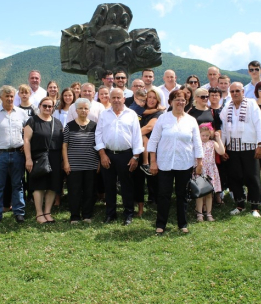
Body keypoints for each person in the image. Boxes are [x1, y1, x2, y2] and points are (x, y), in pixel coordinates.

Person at [148, 90, 203, 235]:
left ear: (186, 102)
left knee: (182, 194)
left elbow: (197, 143)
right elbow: (153, 140)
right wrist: (153, 162)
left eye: (183, 100)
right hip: (164, 163)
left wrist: (200, 162)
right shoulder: (163, 119)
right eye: (177, 99)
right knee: (163, 194)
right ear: (171, 101)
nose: (180, 102)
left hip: (184, 163)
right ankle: (161, 224)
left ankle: (182, 224)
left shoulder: (191, 120)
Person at [95, 88, 143, 226]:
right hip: (108, 154)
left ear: (124, 99)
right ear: (109, 99)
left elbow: (137, 136)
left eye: (119, 97)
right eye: (113, 97)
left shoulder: (131, 114)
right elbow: (98, 135)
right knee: (109, 186)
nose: (116, 100)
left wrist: (135, 157)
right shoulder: (104, 115)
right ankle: (110, 214)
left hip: (126, 155)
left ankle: (128, 213)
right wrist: (102, 154)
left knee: (127, 186)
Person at [220, 82, 261, 217]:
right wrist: (223, 147)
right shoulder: (227, 106)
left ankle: (255, 207)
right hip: (232, 148)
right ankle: (239, 205)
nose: (235, 93)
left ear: (243, 91)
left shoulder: (251, 104)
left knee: (252, 176)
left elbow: (260, 123)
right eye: (232, 91)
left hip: (249, 146)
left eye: (238, 91)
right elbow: (223, 129)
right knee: (235, 177)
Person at [0, 86, 29, 225]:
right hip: (0, 154)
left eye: (12, 96)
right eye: (7, 96)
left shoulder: (22, 113)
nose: (10, 99)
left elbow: (27, 133)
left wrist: (25, 143)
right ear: (1, 97)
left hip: (18, 153)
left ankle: (19, 212)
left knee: (18, 184)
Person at [24, 97, 64, 224]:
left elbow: (62, 142)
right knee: (39, 186)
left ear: (53, 108)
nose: (47, 108)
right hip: (38, 157)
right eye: (45, 106)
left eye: (50, 106)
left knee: (52, 186)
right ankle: (39, 213)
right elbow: (26, 141)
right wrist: (28, 158)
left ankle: (47, 212)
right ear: (40, 106)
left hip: (55, 157)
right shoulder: (32, 121)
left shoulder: (57, 123)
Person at [62, 98, 99, 223]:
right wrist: (66, 163)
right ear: (76, 110)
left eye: (86, 108)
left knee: (89, 191)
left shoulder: (94, 126)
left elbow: (98, 144)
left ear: (89, 110)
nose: (83, 110)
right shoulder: (69, 126)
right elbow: (64, 146)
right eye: (81, 108)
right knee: (74, 191)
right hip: (74, 165)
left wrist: (98, 162)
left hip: (91, 164)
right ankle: (75, 216)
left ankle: (87, 215)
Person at [195, 124, 225, 222]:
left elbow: (221, 151)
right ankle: (199, 214)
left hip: (211, 170)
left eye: (207, 135)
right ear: (199, 135)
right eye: (203, 135)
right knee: (200, 193)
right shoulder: (196, 144)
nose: (205, 137)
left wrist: (218, 139)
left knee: (209, 193)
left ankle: (209, 213)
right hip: (200, 170)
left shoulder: (212, 143)